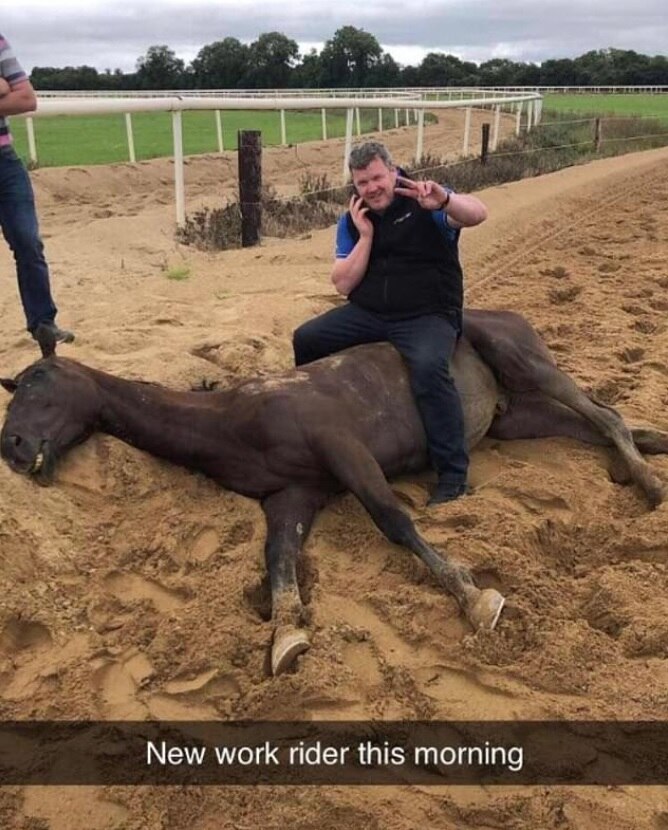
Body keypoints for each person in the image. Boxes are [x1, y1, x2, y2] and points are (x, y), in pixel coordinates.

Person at [292, 141, 488, 505]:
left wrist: (445, 199)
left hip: (427, 314)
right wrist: (365, 235)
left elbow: (478, 213)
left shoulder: (425, 201)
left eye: (377, 178)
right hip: (372, 313)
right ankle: (319, 428)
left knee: (430, 370)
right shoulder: (352, 219)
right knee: (306, 339)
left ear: (393, 172)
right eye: (363, 182)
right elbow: (343, 283)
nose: (372, 188)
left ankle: (452, 474)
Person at [0, 32, 74, 347]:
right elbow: (9, 92)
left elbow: (26, 99)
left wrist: (8, 88)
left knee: (28, 242)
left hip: (4, 162)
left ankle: (43, 322)